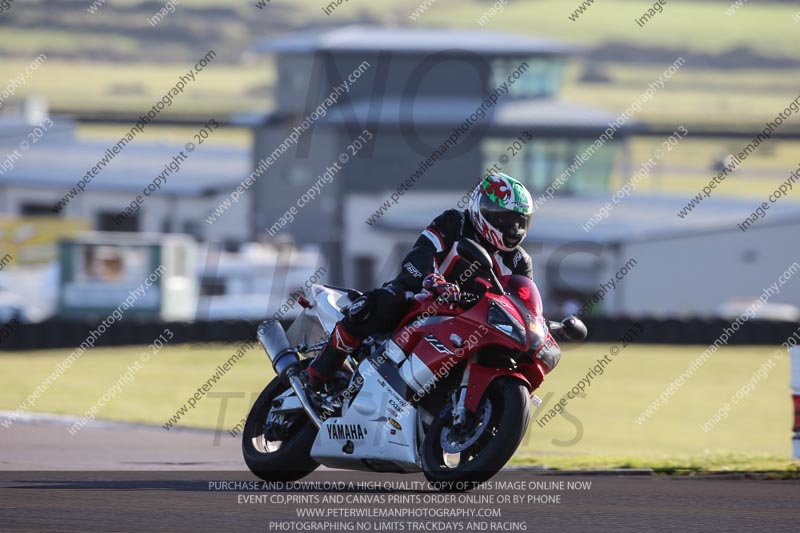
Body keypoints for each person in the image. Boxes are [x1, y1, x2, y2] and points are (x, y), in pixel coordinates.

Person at [305, 173, 535, 390]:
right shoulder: (454, 222)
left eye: (519, 222)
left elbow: (522, 299)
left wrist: (539, 323)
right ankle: (318, 372)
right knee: (375, 305)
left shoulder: (519, 260)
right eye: (505, 219)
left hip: (470, 321)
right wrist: (432, 279)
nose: (513, 228)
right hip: (423, 297)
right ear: (483, 209)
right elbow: (423, 252)